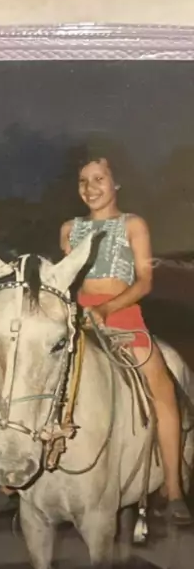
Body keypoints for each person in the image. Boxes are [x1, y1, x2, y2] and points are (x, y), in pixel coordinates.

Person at [60, 153, 192, 526]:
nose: (91, 188)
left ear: (115, 183)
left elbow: (145, 282)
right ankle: (14, 479)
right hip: (82, 319)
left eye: (99, 179)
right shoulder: (69, 229)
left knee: (162, 389)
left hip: (123, 315)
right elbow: (68, 280)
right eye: (84, 181)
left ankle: (174, 489)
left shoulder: (133, 224)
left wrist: (107, 308)